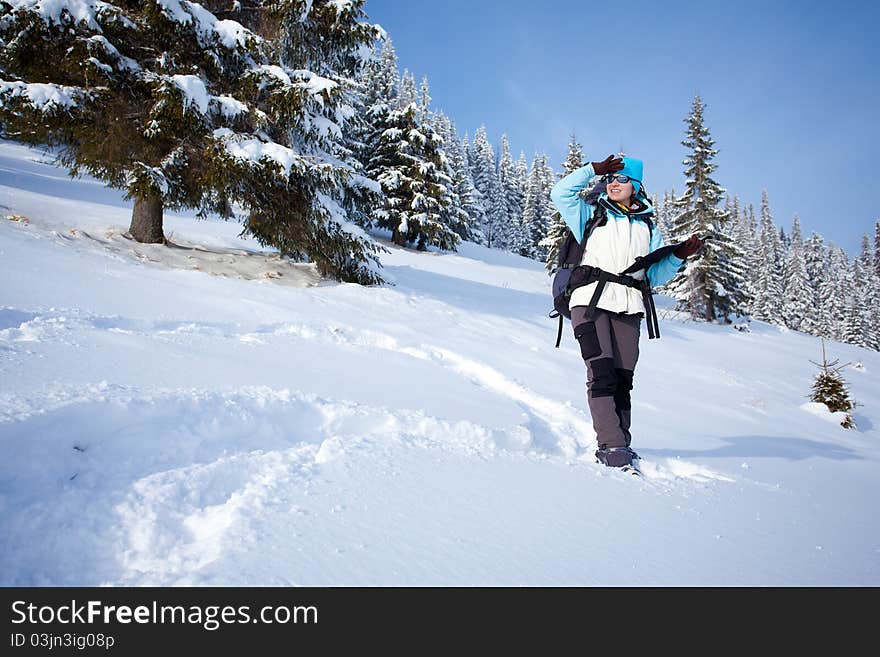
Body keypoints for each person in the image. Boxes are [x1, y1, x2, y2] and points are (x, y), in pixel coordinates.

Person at [550, 155, 703, 470]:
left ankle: (623, 442)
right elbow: (560, 194)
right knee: (601, 372)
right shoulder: (590, 213)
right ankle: (612, 446)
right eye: (611, 179)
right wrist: (594, 170)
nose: (614, 183)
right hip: (588, 300)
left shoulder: (647, 225)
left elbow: (654, 276)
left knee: (623, 378)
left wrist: (678, 256)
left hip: (629, 306)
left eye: (621, 179)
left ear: (636, 185)